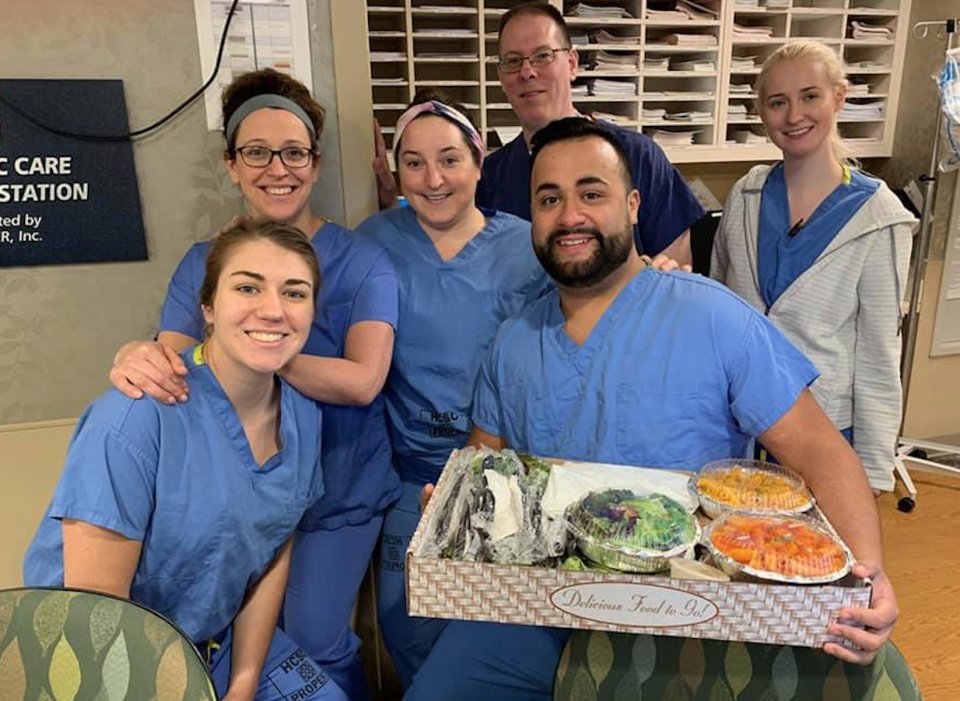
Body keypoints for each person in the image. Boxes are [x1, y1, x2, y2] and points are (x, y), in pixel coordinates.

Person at [405, 117, 899, 701]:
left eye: (592, 193)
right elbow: (482, 459)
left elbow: (822, 454)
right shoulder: (515, 341)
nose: (570, 216)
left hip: (689, 606)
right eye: (549, 198)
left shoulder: (713, 319)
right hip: (541, 607)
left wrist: (870, 577)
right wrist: (450, 501)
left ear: (634, 205)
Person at [109, 69, 399, 701]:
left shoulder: (363, 261)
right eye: (257, 152)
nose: (278, 168)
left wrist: (260, 348)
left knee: (314, 640)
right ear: (232, 165)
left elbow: (360, 381)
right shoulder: (202, 263)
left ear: (315, 164)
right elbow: (176, 366)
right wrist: (139, 354)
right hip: (237, 497)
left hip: (339, 490)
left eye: (294, 153)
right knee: (244, 643)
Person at [25, 219, 348, 701]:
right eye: (247, 287)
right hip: (95, 656)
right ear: (208, 307)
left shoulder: (303, 417)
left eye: (295, 293)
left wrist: (243, 683)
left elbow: (272, 552)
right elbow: (97, 621)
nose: (273, 310)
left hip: (214, 640)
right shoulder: (136, 415)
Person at [357, 92, 551, 687]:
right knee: (404, 617)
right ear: (396, 171)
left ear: (479, 160)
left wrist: (656, 272)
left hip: (504, 473)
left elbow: (594, 309)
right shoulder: (371, 242)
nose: (433, 179)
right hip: (407, 475)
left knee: (492, 622)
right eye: (413, 162)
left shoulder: (528, 245)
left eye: (449, 159)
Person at [711, 41, 916, 493]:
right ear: (761, 112)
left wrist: (874, 469)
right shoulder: (746, 198)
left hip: (822, 431)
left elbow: (880, 354)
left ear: (838, 97)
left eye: (810, 96)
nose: (793, 115)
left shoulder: (877, 216)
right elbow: (718, 310)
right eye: (777, 102)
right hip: (740, 425)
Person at [372, 2, 704, 265]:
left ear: (572, 63)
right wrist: (390, 204)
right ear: (501, 76)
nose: (527, 72)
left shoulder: (638, 157)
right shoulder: (490, 176)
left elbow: (674, 271)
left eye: (543, 56)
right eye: (513, 62)